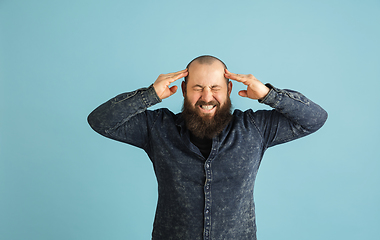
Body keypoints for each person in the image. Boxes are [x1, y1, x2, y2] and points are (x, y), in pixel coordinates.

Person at [87, 55, 328, 240]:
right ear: (183, 90)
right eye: (197, 87)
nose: (207, 96)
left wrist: (267, 94)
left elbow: (314, 118)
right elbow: (101, 121)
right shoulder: (157, 128)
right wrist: (149, 95)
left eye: (215, 88)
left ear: (229, 89)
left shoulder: (255, 128)